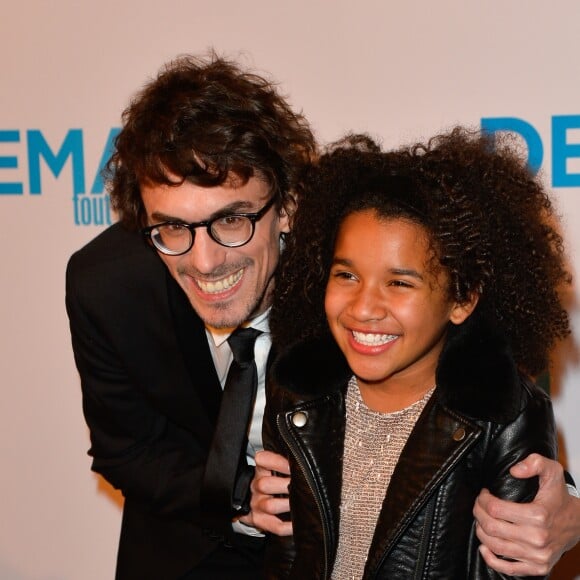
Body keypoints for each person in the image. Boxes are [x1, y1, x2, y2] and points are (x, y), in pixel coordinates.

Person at [65, 52, 578, 579]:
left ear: (287, 206)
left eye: (233, 219)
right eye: (171, 228)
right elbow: (128, 451)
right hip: (188, 544)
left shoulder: (352, 261)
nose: (204, 261)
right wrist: (240, 499)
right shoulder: (108, 287)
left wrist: (571, 509)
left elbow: (495, 390)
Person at [261, 129, 579, 579]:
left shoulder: (501, 416)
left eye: (400, 283)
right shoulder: (297, 394)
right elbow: (285, 558)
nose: (364, 308)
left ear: (461, 300)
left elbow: (513, 568)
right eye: (346, 276)